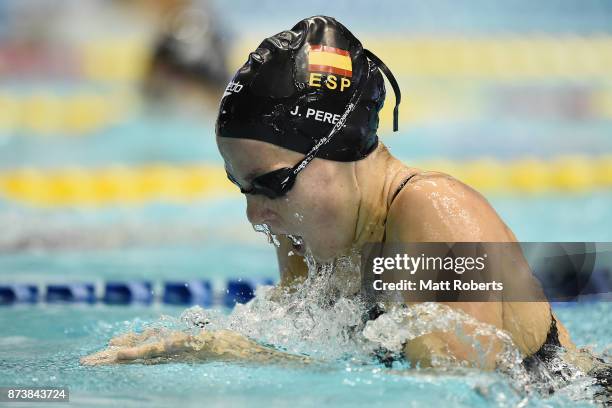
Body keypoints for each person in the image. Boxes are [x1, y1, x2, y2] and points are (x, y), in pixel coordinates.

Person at [81, 17, 609, 391]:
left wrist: (245, 356)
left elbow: (462, 383)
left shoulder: (431, 211)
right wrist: (204, 349)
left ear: (338, 149)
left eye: (273, 184)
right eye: (241, 187)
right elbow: (313, 351)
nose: (254, 215)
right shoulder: (304, 230)